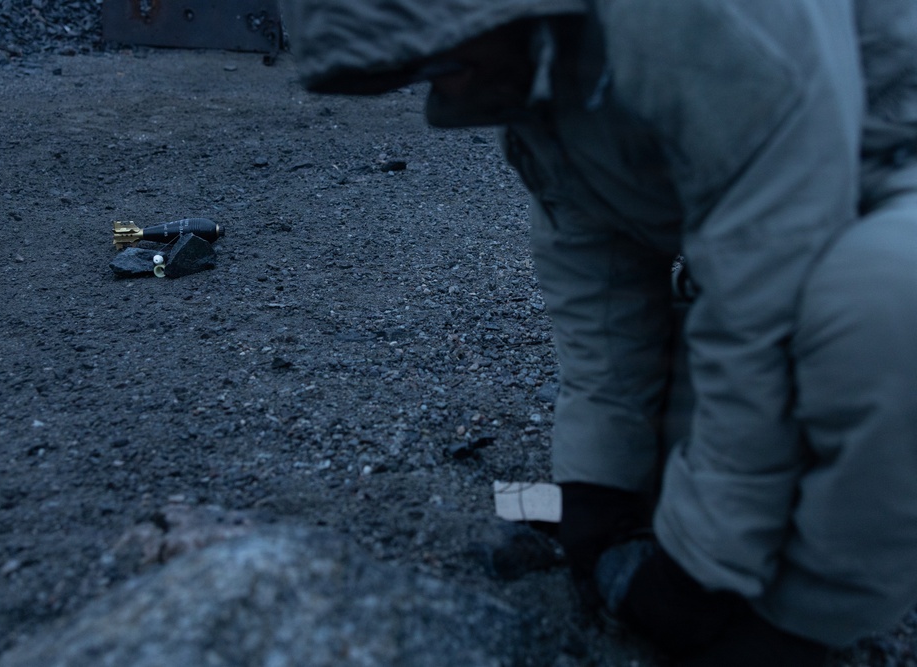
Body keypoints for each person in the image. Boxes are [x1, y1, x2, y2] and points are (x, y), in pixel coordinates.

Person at [280, 0, 917, 664]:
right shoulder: (539, 51)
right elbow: (598, 275)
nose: (445, 93)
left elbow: (763, 304)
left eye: (441, 62)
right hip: (780, 241)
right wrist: (596, 481)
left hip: (887, 190)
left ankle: (806, 622)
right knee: (667, 501)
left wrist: (703, 566)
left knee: (884, 314)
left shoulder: (713, 19)